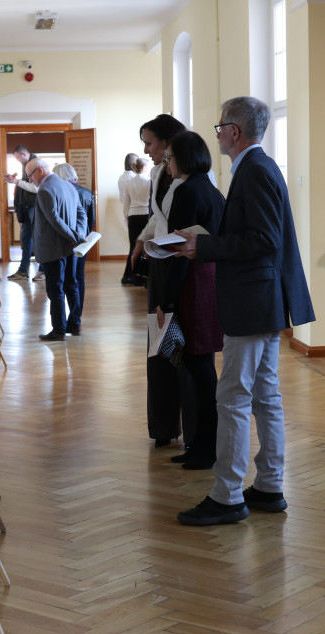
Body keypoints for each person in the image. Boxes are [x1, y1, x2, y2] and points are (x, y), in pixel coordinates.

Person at [173, 97, 315, 526]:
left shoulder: (254, 171)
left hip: (252, 303)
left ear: (235, 131)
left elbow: (264, 240)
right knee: (264, 395)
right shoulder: (257, 168)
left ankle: (228, 493)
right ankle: (269, 484)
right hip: (261, 301)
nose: (217, 133)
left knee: (233, 397)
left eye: (220, 127)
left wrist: (205, 246)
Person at [152, 131, 225, 470]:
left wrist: (166, 303)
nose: (166, 163)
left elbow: (180, 251)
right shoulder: (210, 189)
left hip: (192, 283)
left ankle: (206, 448)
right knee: (202, 366)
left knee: (198, 369)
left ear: (183, 157)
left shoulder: (185, 191)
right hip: (209, 281)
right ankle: (204, 446)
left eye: (169, 157)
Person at [134, 114, 187, 448]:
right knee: (159, 344)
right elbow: (157, 218)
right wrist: (142, 241)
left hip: (177, 268)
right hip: (161, 265)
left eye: (150, 142)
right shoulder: (157, 173)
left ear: (168, 142)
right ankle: (164, 426)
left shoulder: (186, 180)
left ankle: (182, 424)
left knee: (178, 345)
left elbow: (175, 225)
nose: (146, 150)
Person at [26, 158, 86, 341]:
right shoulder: (68, 185)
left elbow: (55, 221)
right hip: (70, 248)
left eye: (30, 176)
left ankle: (59, 330)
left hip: (53, 249)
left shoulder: (45, 189)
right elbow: (81, 213)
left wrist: (74, 237)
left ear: (40, 171)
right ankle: (74, 324)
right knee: (71, 284)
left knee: (55, 289)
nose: (30, 180)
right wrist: (79, 236)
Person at [52, 163, 93, 331]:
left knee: (65, 280)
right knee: (78, 278)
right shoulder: (87, 193)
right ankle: (76, 317)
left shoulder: (61, 193)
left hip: (66, 242)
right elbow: (91, 220)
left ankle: (70, 319)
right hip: (83, 242)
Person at [5, 145, 42, 281]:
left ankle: (42, 270)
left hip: (34, 207)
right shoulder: (27, 165)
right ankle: (23, 271)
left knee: (38, 239)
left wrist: (17, 182)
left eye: (17, 158)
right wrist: (15, 180)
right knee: (26, 240)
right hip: (26, 207)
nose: (17, 160)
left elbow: (36, 188)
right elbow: (25, 184)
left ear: (23, 155)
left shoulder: (35, 164)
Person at [121, 156, 150, 286]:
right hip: (145, 215)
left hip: (133, 216)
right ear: (144, 168)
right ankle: (142, 276)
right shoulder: (149, 182)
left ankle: (129, 274)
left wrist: (126, 217)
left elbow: (126, 203)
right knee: (144, 245)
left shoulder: (129, 183)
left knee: (133, 246)